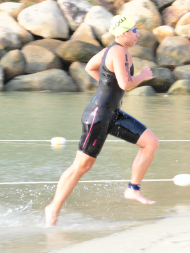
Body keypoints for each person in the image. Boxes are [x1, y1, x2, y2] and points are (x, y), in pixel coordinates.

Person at [45, 15, 159, 226]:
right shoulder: (117, 51)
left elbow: (90, 67)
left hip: (112, 113)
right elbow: (125, 84)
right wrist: (143, 76)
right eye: (135, 30)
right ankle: (53, 208)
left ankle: (133, 189)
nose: (138, 34)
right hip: (98, 115)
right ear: (124, 33)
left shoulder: (115, 50)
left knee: (150, 142)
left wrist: (108, 84)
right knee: (81, 166)